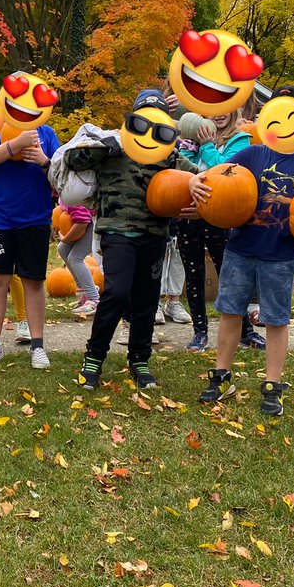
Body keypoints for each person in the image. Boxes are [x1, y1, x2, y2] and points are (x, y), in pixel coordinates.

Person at [191, 85, 294, 416]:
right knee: (230, 312)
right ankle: (221, 375)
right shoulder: (251, 154)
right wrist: (195, 181)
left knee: (276, 320)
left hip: (280, 255)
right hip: (240, 249)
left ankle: (272, 385)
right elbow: (217, 180)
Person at [66, 90, 195, 388]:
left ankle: (139, 360)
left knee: (147, 300)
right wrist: (104, 147)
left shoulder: (168, 152)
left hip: (154, 234)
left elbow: (197, 178)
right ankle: (94, 358)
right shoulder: (115, 144)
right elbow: (73, 159)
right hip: (117, 232)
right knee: (117, 293)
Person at [0, 119, 61, 370]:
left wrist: (43, 160)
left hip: (35, 219)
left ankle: (38, 346)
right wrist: (15, 144)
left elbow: (60, 173)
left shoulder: (46, 132)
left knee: (33, 282)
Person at [175, 106, 259, 352]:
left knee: (230, 274)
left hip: (221, 216)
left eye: (226, 109)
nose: (219, 114)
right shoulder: (188, 137)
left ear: (235, 111)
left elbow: (225, 170)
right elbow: (179, 171)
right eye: (214, 109)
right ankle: (199, 332)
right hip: (189, 214)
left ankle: (245, 331)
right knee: (194, 274)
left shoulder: (240, 140)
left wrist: (206, 146)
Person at [56, 201, 100, 316]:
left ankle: (94, 299)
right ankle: (85, 290)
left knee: (75, 258)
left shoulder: (74, 198)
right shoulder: (63, 194)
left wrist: (66, 239)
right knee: (63, 249)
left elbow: (82, 222)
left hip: (93, 223)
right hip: (83, 222)